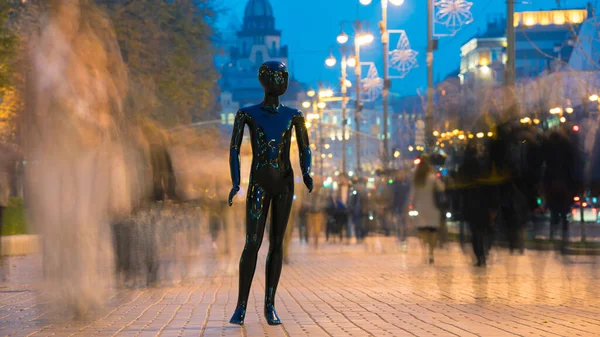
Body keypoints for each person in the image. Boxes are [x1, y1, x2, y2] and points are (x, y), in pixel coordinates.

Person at [228, 61, 313, 326]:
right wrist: (236, 181)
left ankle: (270, 304)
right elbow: (233, 148)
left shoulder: (294, 115)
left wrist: (307, 171)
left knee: (277, 244)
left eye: (285, 76)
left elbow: (305, 148)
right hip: (259, 183)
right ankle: (241, 305)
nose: (284, 80)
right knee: (252, 243)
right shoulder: (247, 114)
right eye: (278, 76)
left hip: (284, 184)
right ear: (265, 80)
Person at [410, 155, 444, 264]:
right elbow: (442, 188)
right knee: (432, 230)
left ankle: (425, 248)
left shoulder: (417, 178)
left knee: (423, 230)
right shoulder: (432, 178)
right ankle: (431, 252)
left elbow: (413, 194)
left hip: (421, 207)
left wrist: (412, 205)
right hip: (433, 207)